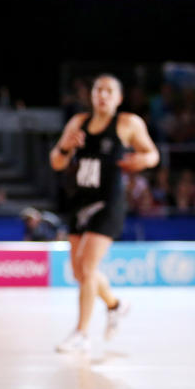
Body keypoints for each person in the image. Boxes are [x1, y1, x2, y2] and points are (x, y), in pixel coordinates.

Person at [50, 74, 159, 354]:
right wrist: (65, 147)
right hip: (80, 201)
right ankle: (115, 305)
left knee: (86, 268)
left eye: (109, 91)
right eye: (99, 89)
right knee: (79, 272)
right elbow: (57, 161)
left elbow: (153, 154)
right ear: (92, 94)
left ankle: (81, 334)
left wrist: (142, 160)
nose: (103, 95)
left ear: (119, 98)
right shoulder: (78, 123)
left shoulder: (127, 124)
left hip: (109, 203)